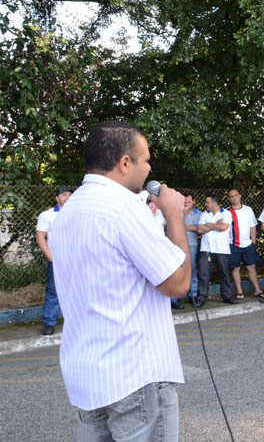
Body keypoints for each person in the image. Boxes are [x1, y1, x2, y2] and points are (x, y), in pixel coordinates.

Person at [50, 121, 191, 440]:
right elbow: (178, 283)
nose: (149, 167)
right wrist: (175, 217)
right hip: (134, 374)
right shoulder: (124, 209)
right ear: (125, 163)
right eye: (146, 159)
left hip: (88, 375)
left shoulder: (68, 214)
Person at [35, 185, 72, 335]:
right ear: (57, 198)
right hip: (57, 260)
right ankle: (49, 323)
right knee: (53, 291)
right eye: (64, 195)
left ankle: (74, 322)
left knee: (76, 290)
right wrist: (50, 257)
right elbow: (40, 237)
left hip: (75, 260)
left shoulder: (77, 214)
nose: (67, 197)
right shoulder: (47, 215)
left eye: (70, 194)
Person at [197, 195, 236, 306]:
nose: (205, 204)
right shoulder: (204, 214)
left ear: (214, 203)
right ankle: (201, 297)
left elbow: (224, 227)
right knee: (203, 274)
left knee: (224, 273)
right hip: (206, 249)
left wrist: (208, 225)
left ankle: (227, 296)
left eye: (207, 202)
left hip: (222, 249)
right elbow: (199, 229)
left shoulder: (226, 213)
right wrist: (215, 225)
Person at [227, 188, 262, 299]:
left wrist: (253, 242)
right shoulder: (227, 212)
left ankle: (257, 290)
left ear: (240, 196)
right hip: (233, 245)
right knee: (235, 268)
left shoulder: (248, 210)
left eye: (236, 195)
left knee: (251, 267)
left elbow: (253, 226)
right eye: (231, 196)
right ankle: (239, 291)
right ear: (228, 199)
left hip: (248, 245)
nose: (234, 198)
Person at [183, 194, 201, 305]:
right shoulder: (178, 212)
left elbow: (198, 229)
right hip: (177, 246)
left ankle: (193, 295)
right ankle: (175, 298)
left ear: (194, 201)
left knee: (193, 270)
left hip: (192, 246)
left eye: (188, 202)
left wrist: (182, 225)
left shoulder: (199, 214)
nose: (186, 205)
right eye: (184, 203)